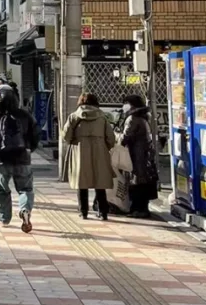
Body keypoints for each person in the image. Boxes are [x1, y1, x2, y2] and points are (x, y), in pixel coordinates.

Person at [0, 84, 40, 232]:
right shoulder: (25, 115)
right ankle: (25, 209)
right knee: (25, 188)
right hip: (22, 158)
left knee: (2, 189)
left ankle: (4, 218)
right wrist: (28, 149)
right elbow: (36, 134)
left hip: (1, 159)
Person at [62, 91, 115, 220]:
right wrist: (104, 147)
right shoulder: (102, 117)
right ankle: (103, 212)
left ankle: (83, 212)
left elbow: (66, 136)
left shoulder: (74, 116)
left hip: (80, 150)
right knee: (100, 182)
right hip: (100, 150)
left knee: (82, 182)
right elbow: (111, 138)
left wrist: (75, 141)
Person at [120, 92, 160, 218]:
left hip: (137, 156)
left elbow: (125, 138)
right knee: (143, 182)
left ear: (131, 105)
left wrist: (117, 136)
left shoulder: (132, 119)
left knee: (137, 182)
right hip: (144, 155)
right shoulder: (143, 117)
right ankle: (142, 208)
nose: (124, 107)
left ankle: (138, 209)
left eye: (126, 104)